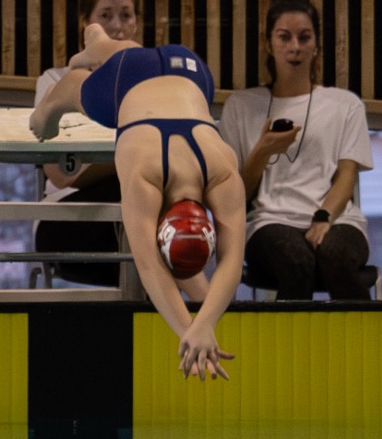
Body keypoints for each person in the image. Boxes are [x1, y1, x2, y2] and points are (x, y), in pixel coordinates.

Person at [30, 26, 246, 378]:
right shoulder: (148, 173)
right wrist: (190, 331)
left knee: (136, 57)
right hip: (122, 82)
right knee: (67, 96)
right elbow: (149, 265)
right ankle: (59, 96)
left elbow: (231, 262)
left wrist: (203, 325)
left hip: (190, 70)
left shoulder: (221, 168)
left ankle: (100, 43)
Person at [221, 0, 376, 300]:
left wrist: (323, 217)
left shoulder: (345, 105)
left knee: (336, 256)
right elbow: (235, 195)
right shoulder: (240, 107)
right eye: (284, 37)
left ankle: (365, 333)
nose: (295, 47)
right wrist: (263, 151)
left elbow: (347, 176)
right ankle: (293, 336)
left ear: (316, 45)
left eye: (304, 38)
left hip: (337, 219)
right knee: (296, 262)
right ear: (269, 44)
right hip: (269, 221)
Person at [31, 0, 142, 286]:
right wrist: (124, 160)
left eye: (126, 15)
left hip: (136, 209)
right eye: (105, 16)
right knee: (137, 180)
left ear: (137, 24)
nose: (117, 27)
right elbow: (59, 174)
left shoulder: (149, 81)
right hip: (68, 217)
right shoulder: (55, 81)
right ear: (86, 24)